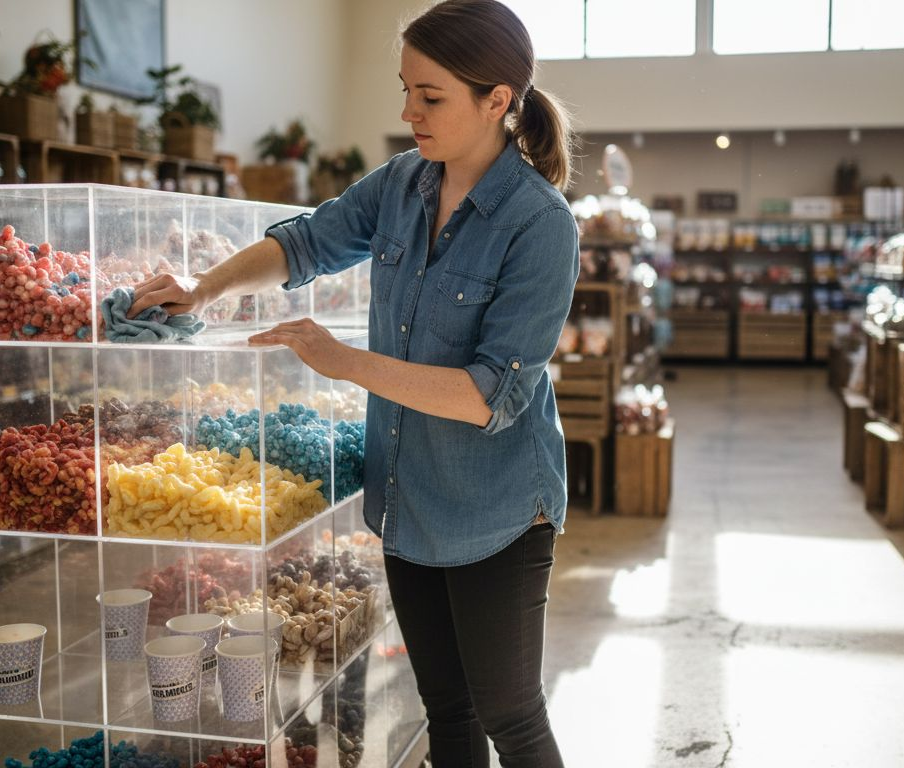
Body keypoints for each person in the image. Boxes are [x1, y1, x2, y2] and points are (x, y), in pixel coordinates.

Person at [129, 1, 576, 764]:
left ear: (498, 99)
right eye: (406, 90)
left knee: (510, 714)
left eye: (430, 97)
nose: (408, 113)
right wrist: (204, 289)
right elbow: (306, 242)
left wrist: (343, 360)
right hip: (408, 499)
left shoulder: (540, 225)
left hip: (497, 508)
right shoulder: (402, 184)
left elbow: (488, 396)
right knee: (448, 708)